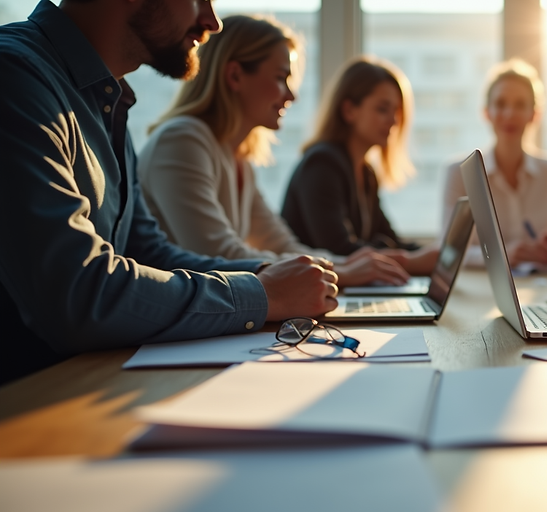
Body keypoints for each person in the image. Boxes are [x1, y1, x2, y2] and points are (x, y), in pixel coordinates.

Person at [0, 0, 339, 385]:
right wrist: (262, 293)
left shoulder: (105, 102)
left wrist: (267, 275)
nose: (212, 22)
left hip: (85, 383)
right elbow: (74, 295)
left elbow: (149, 253)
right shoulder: (14, 75)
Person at [137, 15, 409, 288]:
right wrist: (342, 272)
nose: (291, 96)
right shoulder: (182, 140)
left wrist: (345, 265)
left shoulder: (238, 159)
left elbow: (282, 245)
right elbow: (219, 254)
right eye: (281, 78)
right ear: (234, 76)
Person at [281, 57, 437, 275]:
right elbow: (339, 250)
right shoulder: (322, 164)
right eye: (383, 109)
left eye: (396, 111)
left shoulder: (365, 171)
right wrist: (410, 262)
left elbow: (392, 239)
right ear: (349, 111)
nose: (393, 121)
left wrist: (436, 253)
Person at [442, 58, 547, 267]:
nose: (510, 114)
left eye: (520, 105)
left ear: (534, 115)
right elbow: (448, 252)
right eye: (501, 104)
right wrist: (501, 255)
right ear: (487, 113)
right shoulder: (460, 172)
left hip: (541, 286)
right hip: (479, 290)